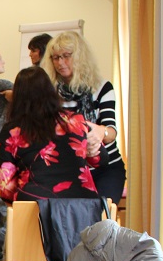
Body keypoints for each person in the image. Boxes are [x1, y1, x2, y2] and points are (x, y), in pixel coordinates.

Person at [0, 66, 105, 261]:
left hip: (36, 231)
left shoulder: (12, 133)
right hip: (85, 223)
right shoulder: (77, 123)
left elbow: (6, 190)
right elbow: (95, 159)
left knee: (15, 239)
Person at [41, 31, 126, 202]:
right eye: (55, 58)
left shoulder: (102, 87)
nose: (60, 63)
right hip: (65, 169)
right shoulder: (47, 91)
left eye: (66, 56)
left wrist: (102, 132)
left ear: (80, 57)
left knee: (101, 221)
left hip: (105, 168)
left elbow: (111, 130)